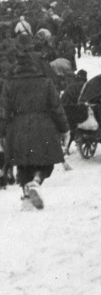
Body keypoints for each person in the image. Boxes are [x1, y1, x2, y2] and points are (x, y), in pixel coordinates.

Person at [0, 51, 69, 209]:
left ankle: (26, 197)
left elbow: (3, 110)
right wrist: (64, 129)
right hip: (43, 125)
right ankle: (36, 181)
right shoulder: (46, 82)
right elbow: (56, 108)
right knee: (47, 161)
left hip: (18, 127)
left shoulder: (9, 84)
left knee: (23, 163)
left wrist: (1, 132)